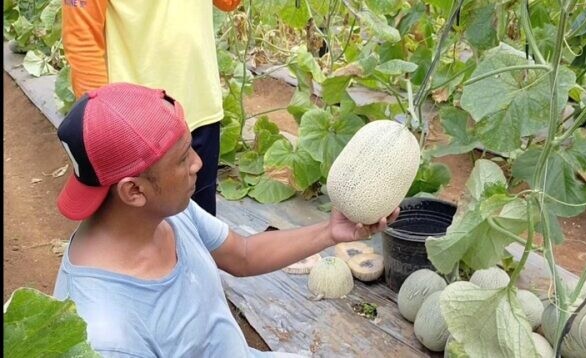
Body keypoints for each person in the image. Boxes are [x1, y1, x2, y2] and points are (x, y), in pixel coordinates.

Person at [52, 83, 399, 357]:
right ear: (133, 191)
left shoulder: (165, 213)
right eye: (182, 158)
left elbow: (243, 254)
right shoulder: (106, 336)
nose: (198, 165)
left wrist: (331, 231)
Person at [61, 0, 241, 216]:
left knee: (201, 223)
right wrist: (104, 127)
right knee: (141, 233)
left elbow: (228, 4)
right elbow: (83, 41)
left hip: (201, 109)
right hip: (137, 126)